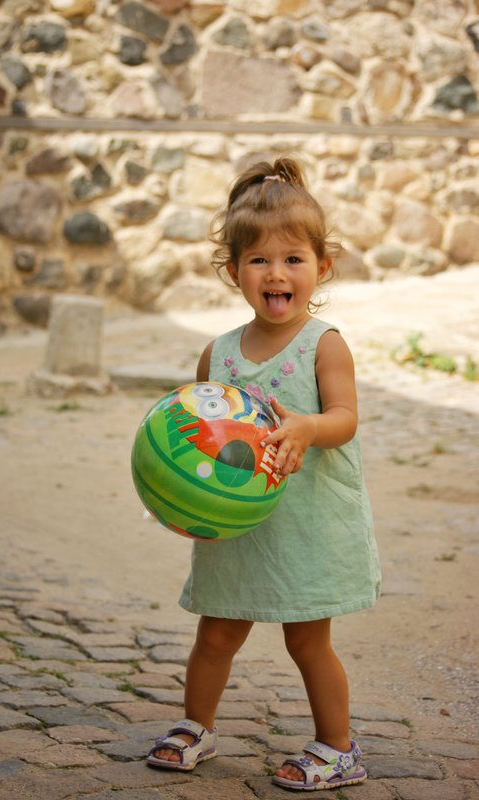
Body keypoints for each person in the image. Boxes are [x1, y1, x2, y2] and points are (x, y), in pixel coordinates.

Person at [146, 156, 381, 791]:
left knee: (307, 642)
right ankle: (196, 727)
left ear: (321, 267)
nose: (276, 273)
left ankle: (338, 748)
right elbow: (197, 435)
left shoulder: (323, 344)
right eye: (259, 260)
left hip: (303, 526)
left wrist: (308, 428)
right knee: (215, 634)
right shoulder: (218, 353)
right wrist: (176, 487)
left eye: (293, 259)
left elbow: (345, 418)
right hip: (236, 529)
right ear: (234, 272)